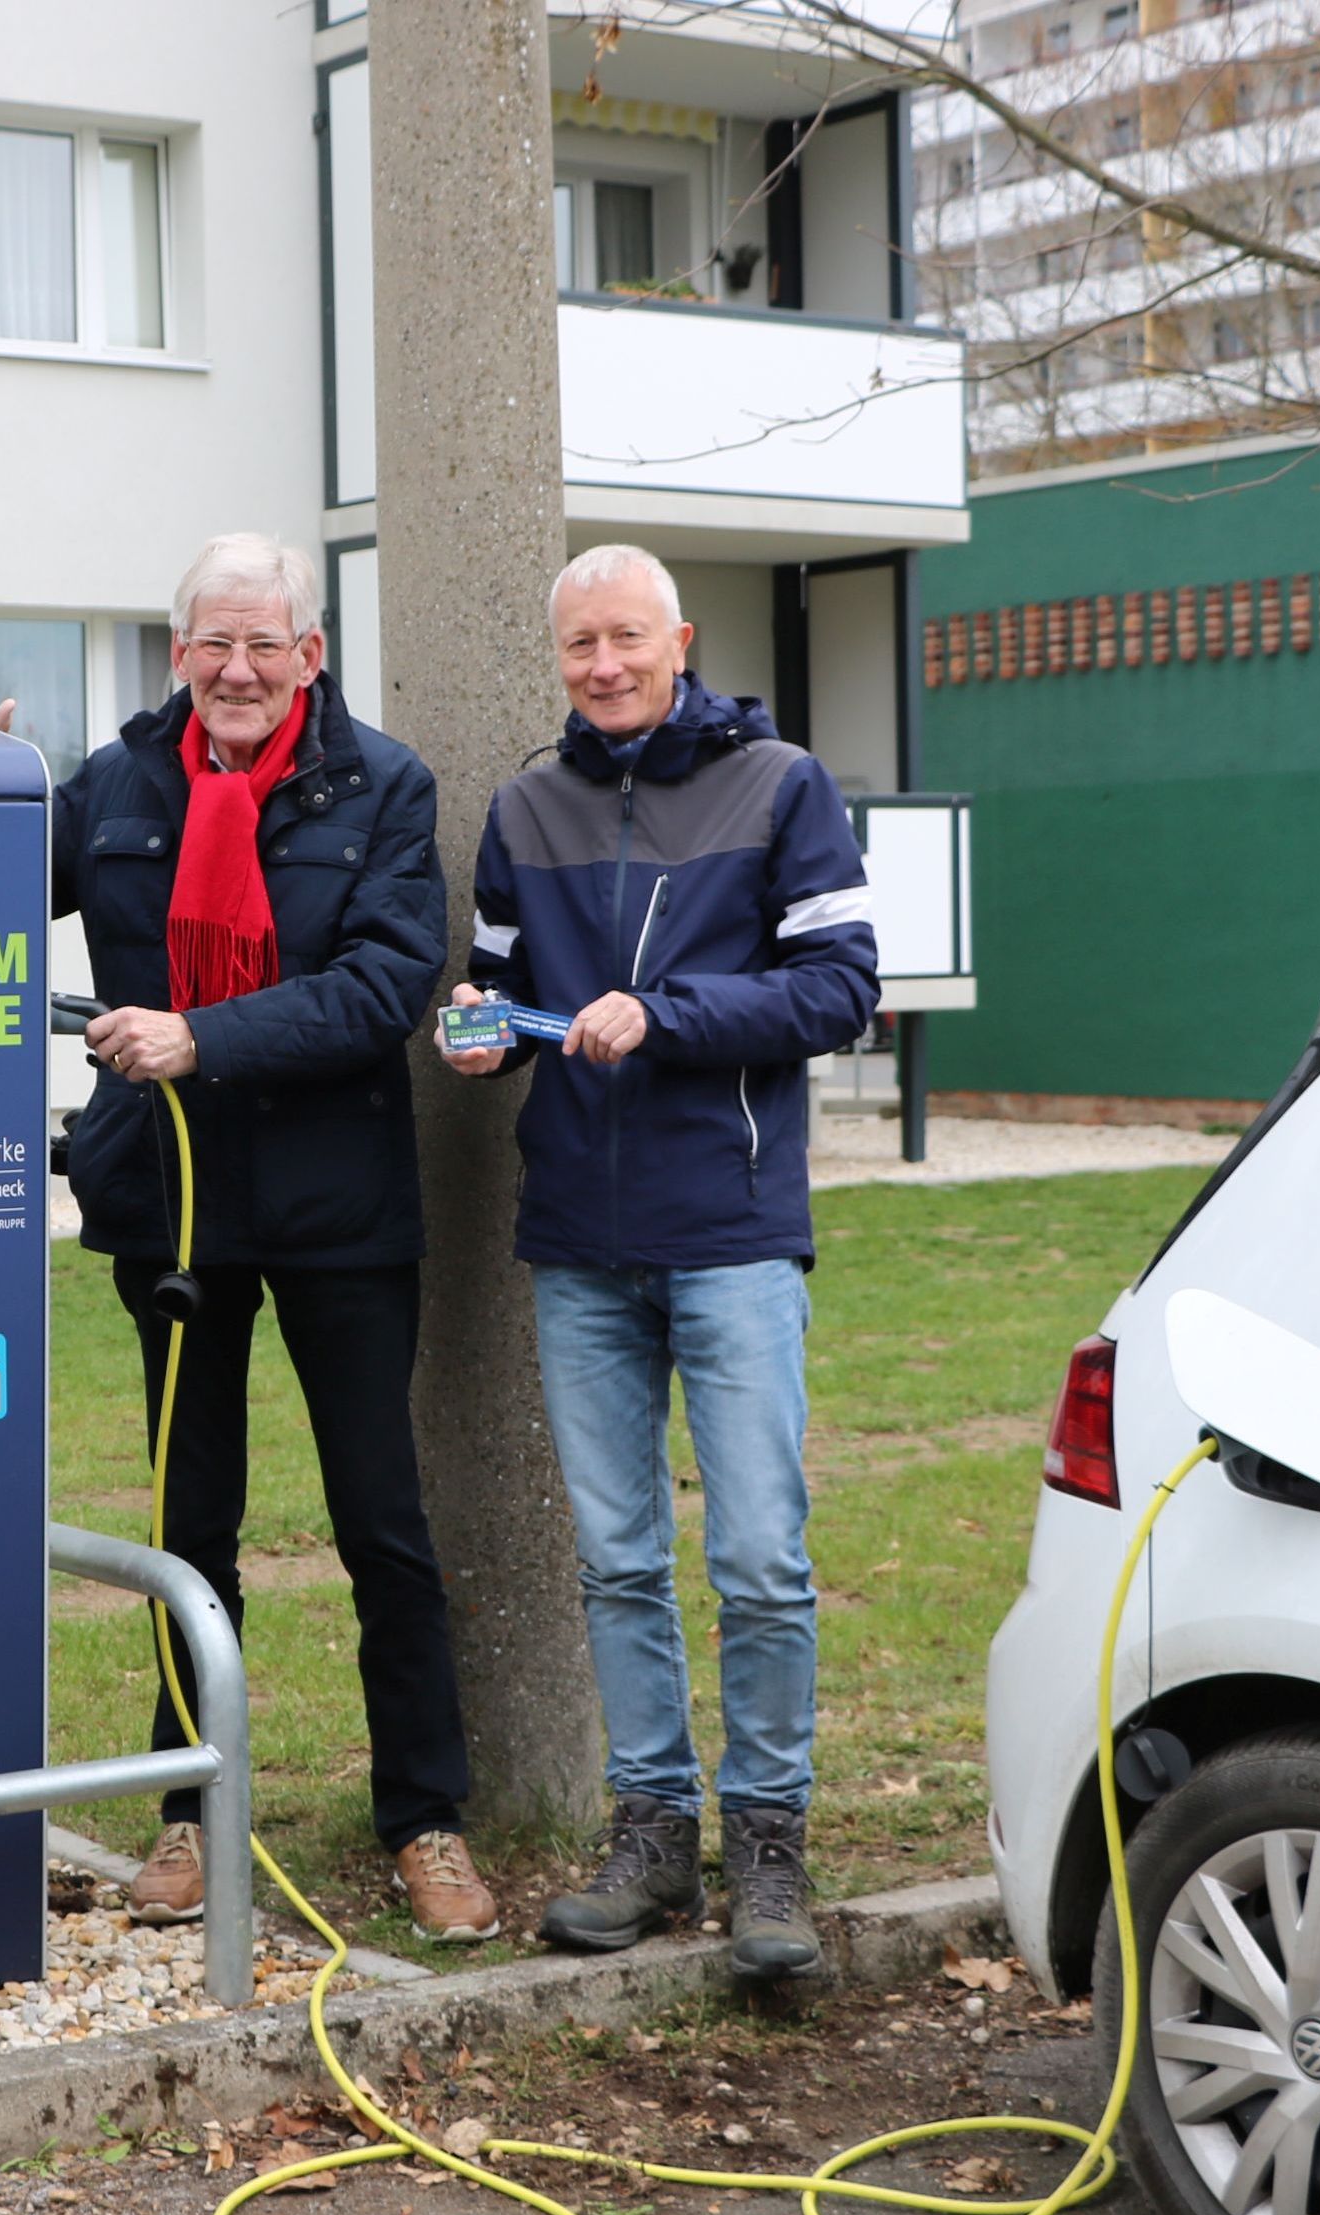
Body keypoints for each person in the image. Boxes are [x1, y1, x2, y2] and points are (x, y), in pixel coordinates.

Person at [0, 532, 498, 1943]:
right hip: (168, 1206)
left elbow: (386, 983)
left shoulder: (383, 784)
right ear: (178, 656)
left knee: (381, 1523)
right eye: (211, 645)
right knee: (192, 1518)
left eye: (264, 644)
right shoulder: (114, 781)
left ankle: (426, 1818)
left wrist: (202, 1033)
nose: (237, 669)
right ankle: (187, 1803)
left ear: (310, 653)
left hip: (341, 1208)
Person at [445, 543, 879, 1981]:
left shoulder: (781, 787)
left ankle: (768, 1843)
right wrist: (474, 1022)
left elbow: (841, 987)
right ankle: (650, 1834)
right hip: (577, 1237)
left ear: (679, 638)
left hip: (732, 1231)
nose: (605, 666)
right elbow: (502, 989)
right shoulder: (527, 803)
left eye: (627, 638)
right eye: (581, 645)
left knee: (758, 1555)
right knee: (618, 1559)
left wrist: (668, 1012)